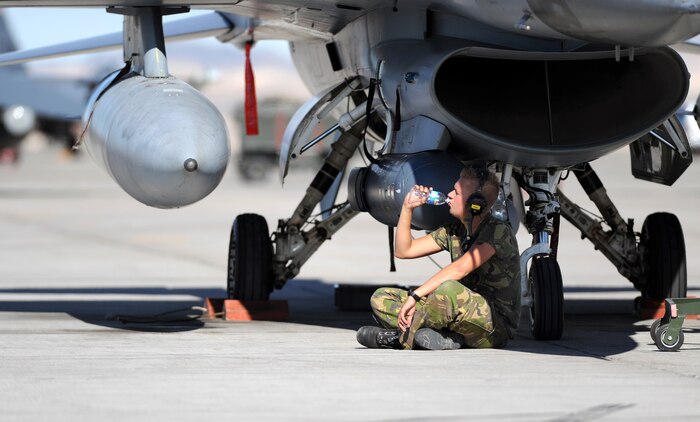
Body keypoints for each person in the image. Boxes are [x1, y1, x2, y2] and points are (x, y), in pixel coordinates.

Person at [356, 167, 521, 350]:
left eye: (456, 193)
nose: (449, 194)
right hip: (453, 312)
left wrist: (416, 296)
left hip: (492, 327)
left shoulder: (498, 231)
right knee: (382, 297)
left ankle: (399, 339)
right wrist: (407, 208)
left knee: (448, 289)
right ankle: (446, 337)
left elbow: (461, 268)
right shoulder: (454, 230)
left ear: (475, 203)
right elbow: (404, 250)